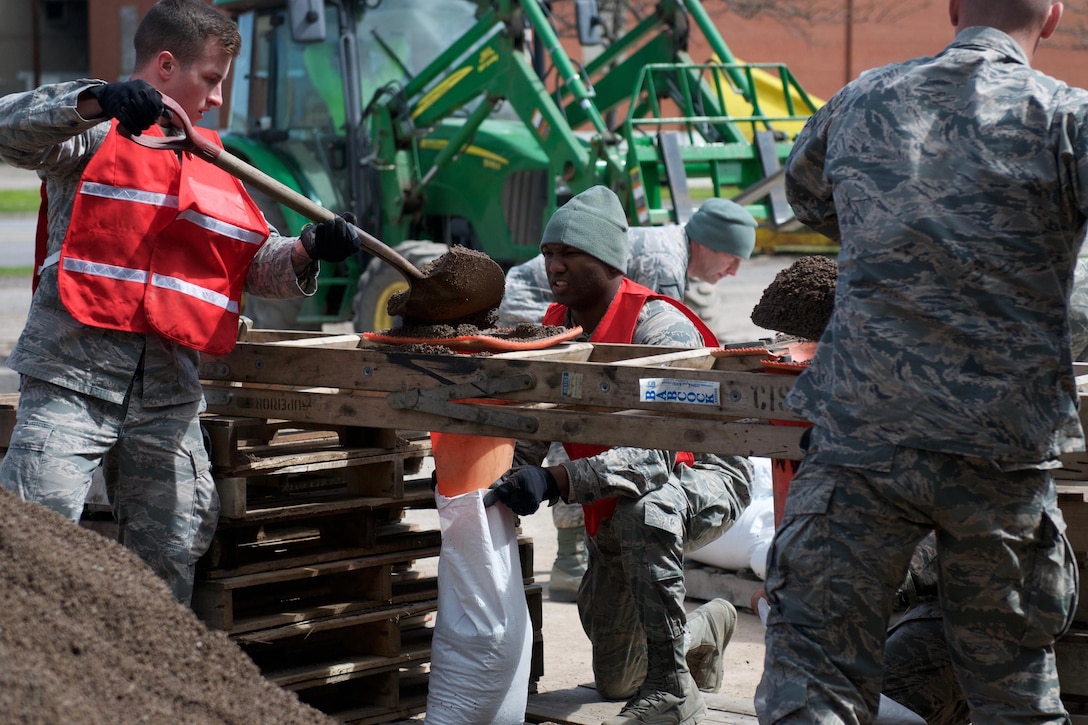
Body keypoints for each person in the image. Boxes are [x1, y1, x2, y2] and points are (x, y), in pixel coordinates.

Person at [758, 2, 1083, 723]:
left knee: (816, 675)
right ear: (1054, 17)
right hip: (997, 451)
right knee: (1013, 690)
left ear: (953, 8)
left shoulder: (861, 98)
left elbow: (812, 197)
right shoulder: (1067, 118)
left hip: (863, 438)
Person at [0, 0, 359, 605]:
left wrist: (306, 249)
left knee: (173, 546)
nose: (218, 99)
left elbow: (251, 265)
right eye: (212, 80)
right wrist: (97, 99)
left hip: (166, 395)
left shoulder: (213, 161)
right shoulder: (88, 133)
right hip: (72, 381)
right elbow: (7, 129)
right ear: (165, 65)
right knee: (34, 531)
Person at [484, 185, 753, 725]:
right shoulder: (558, 325)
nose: (553, 266)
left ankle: (674, 689)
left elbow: (657, 456)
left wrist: (558, 481)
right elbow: (533, 425)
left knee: (644, 514)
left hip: (705, 470)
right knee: (615, 678)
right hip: (615, 485)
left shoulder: (658, 328)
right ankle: (706, 628)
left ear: (606, 260)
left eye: (569, 254)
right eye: (548, 254)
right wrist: (510, 479)